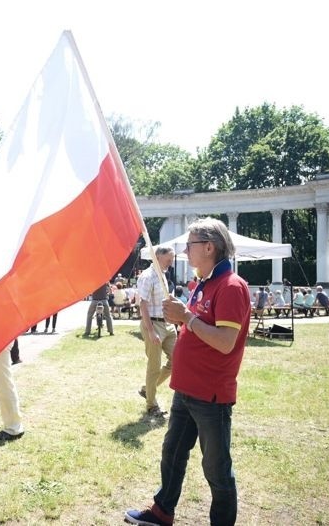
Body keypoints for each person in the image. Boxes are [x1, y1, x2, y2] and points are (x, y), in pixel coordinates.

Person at [125, 217, 251, 526]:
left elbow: (224, 341)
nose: (184, 251)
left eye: (190, 245)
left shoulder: (232, 287)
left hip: (210, 394)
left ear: (209, 247)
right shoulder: (203, 284)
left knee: (216, 469)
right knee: (172, 453)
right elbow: (196, 326)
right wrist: (183, 316)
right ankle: (161, 511)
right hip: (186, 389)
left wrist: (187, 318)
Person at [136, 246, 177, 418]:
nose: (171, 262)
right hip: (153, 324)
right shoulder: (148, 276)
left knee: (177, 360)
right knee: (154, 366)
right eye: (169, 259)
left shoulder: (162, 274)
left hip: (167, 324)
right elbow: (142, 304)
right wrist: (151, 331)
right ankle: (152, 406)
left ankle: (148, 389)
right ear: (158, 257)